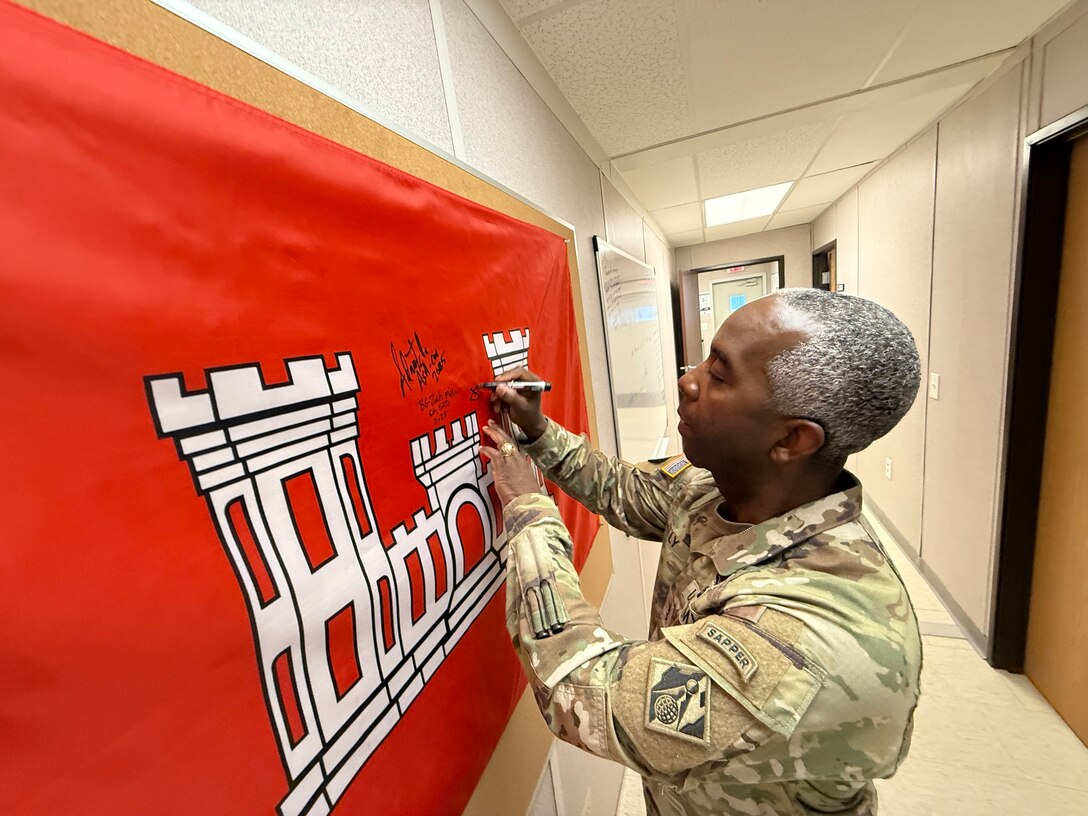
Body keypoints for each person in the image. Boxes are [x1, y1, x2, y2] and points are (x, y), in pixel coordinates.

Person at [480, 288, 923, 816]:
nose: (687, 380)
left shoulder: (806, 632)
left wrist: (529, 509)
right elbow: (624, 490)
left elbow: (584, 693)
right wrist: (535, 431)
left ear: (792, 439)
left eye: (719, 374)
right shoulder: (723, 485)